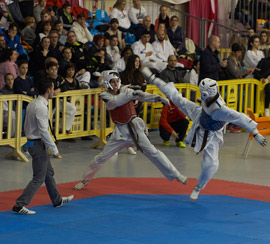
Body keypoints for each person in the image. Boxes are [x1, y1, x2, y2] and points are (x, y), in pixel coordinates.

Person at [141, 67, 267, 200]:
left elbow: (240, 117)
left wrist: (255, 132)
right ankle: (154, 79)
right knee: (176, 98)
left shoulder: (221, 110)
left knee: (211, 165)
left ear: (209, 93)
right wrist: (152, 79)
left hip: (212, 134)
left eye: (203, 92)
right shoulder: (208, 98)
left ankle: (199, 186)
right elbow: (178, 97)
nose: (201, 94)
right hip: (199, 115)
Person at [73, 70, 188, 190]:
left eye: (117, 81)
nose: (116, 84)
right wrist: (132, 95)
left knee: (154, 153)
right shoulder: (105, 95)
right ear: (107, 83)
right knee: (101, 158)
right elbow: (116, 102)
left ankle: (176, 174)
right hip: (119, 133)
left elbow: (142, 96)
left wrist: (158, 98)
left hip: (135, 129)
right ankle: (85, 180)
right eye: (112, 82)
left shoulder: (127, 91)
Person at [12, 79, 73, 215]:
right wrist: (55, 150)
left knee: (48, 173)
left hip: (34, 142)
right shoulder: (40, 107)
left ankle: (57, 200)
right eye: (53, 88)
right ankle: (19, 204)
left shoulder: (33, 103)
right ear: (48, 90)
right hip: (38, 143)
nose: (54, 91)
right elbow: (44, 131)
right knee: (38, 177)